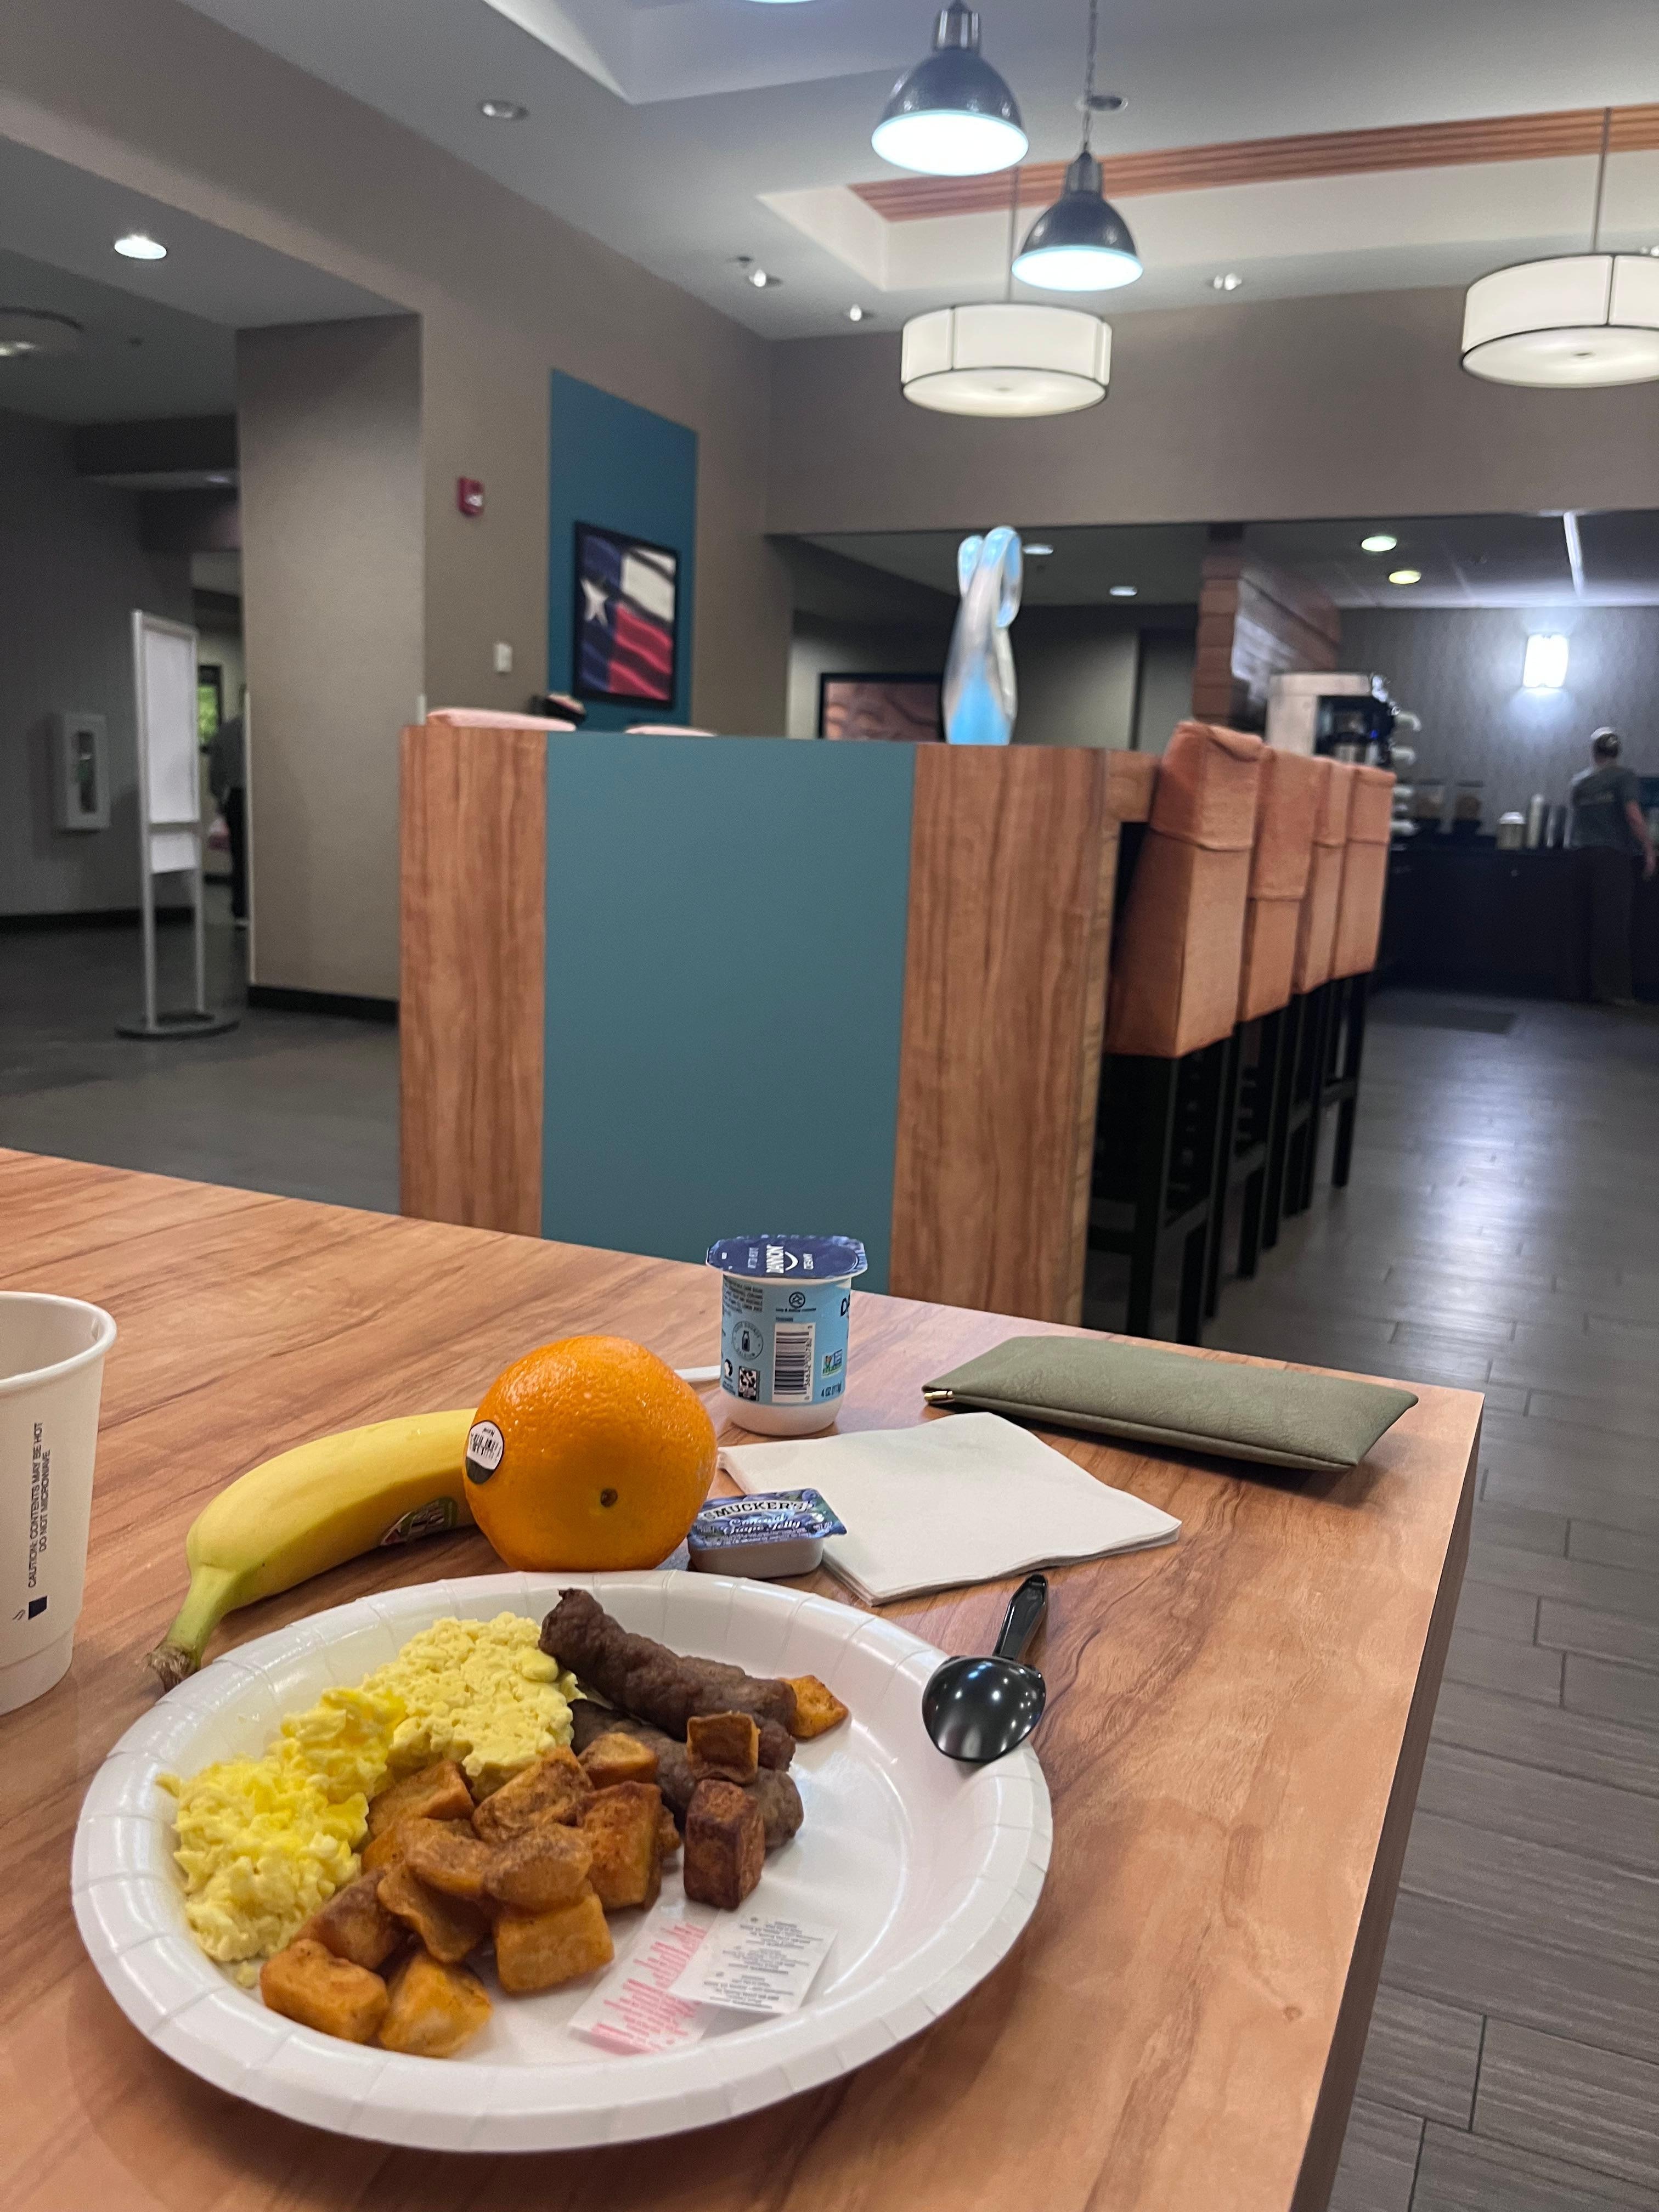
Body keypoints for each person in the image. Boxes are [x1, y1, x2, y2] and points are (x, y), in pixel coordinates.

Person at [1568, 727, 1655, 1007]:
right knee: (1612, 924)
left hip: (1580, 856)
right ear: (1617, 752)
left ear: (1594, 752)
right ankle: (1613, 991)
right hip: (1612, 857)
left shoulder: (1579, 782)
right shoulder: (1624, 777)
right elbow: (1633, 815)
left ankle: (1578, 988)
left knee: (1582, 922)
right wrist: (1649, 849)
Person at [207, 704, 248, 928]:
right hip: (263, 796)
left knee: (239, 855)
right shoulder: (266, 731)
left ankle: (241, 910)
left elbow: (215, 773)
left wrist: (220, 797)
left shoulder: (226, 731)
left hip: (236, 796)